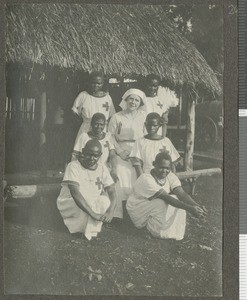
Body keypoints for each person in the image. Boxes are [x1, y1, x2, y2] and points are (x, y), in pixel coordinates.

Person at [126, 151, 207, 240]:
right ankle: (150, 229)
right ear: (154, 164)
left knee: (175, 199)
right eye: (161, 167)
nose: (164, 171)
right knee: (163, 202)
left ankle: (173, 233)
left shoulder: (170, 176)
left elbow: (181, 194)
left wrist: (196, 206)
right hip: (138, 207)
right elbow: (166, 197)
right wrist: (190, 209)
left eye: (167, 168)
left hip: (152, 203)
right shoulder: (146, 178)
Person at [57, 139, 117, 240]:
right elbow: (75, 193)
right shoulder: (73, 166)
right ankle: (77, 229)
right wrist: (93, 214)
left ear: (100, 155)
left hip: (89, 201)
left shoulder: (102, 168)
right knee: (87, 199)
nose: (92, 158)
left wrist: (110, 211)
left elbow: (112, 191)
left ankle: (89, 231)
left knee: (104, 201)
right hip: (70, 201)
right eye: (89, 154)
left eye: (96, 156)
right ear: (83, 151)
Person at [108, 88, 147, 218]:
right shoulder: (116, 116)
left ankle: (138, 211)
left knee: (142, 172)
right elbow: (110, 136)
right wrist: (120, 152)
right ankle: (117, 212)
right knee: (118, 170)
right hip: (121, 151)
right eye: (131, 99)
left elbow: (146, 138)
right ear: (126, 100)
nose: (133, 102)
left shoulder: (144, 117)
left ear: (140, 102)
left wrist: (137, 153)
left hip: (138, 150)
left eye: (136, 100)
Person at [130, 112, 181, 177]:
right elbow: (137, 163)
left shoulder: (166, 141)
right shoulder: (140, 141)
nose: (151, 128)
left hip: (165, 176)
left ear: (159, 125)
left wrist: (173, 177)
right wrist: (142, 177)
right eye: (149, 125)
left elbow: (172, 163)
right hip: (147, 175)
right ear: (145, 124)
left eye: (155, 125)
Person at [71, 113, 118, 182]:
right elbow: (75, 156)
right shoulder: (84, 137)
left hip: (103, 170)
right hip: (86, 170)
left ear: (105, 125)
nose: (99, 127)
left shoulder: (108, 137)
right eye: (96, 124)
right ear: (91, 124)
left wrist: (114, 170)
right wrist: (75, 170)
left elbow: (113, 155)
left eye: (102, 125)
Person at [72, 71, 115, 145]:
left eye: (99, 83)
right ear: (89, 82)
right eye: (93, 83)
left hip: (103, 129)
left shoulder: (107, 97)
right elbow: (74, 111)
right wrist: (85, 123)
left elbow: (112, 115)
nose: (96, 85)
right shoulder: (83, 95)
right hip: (86, 129)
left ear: (102, 83)